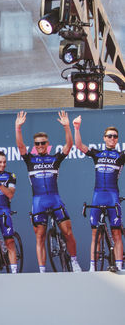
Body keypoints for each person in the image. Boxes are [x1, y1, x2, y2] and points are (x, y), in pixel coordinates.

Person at [15, 110, 82, 273]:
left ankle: (74, 262)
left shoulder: (54, 159)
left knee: (68, 233)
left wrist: (67, 127)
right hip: (39, 202)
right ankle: (42, 271)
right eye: (37, 144)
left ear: (47, 144)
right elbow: (21, 146)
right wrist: (18, 128)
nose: (40, 146)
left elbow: (69, 146)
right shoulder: (30, 159)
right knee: (40, 237)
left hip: (55, 199)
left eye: (42, 143)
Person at [73, 116, 125, 271]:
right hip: (98, 197)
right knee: (96, 235)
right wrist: (76, 128)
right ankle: (92, 268)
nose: (112, 138)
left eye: (115, 136)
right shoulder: (97, 154)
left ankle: (119, 266)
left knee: (116, 234)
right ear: (104, 138)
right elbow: (79, 145)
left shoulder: (121, 155)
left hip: (112, 196)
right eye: (109, 136)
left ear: (117, 139)